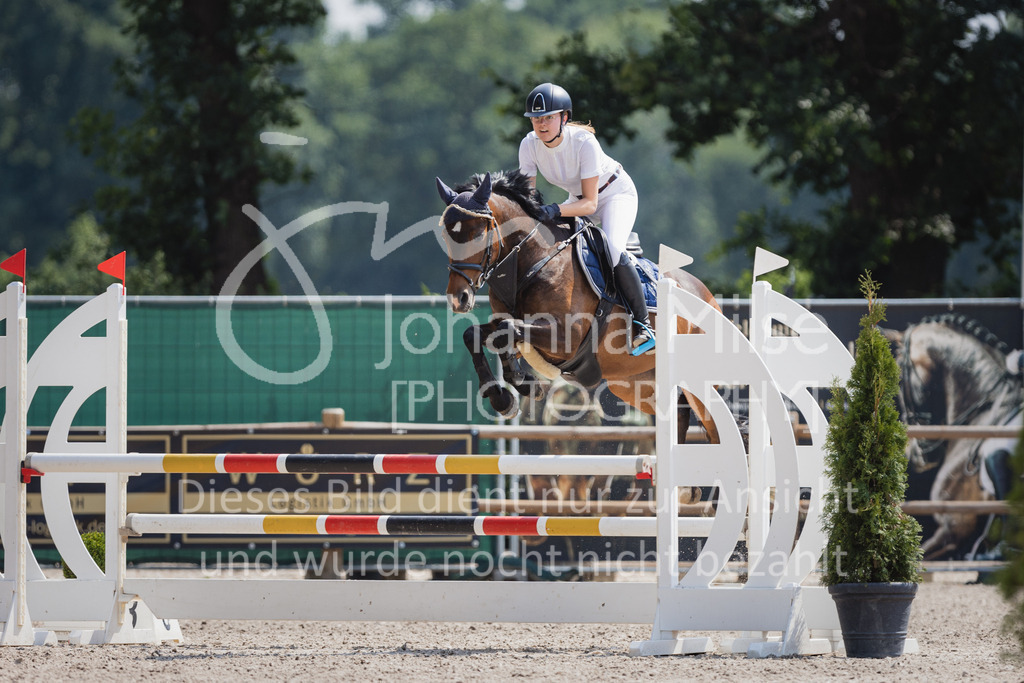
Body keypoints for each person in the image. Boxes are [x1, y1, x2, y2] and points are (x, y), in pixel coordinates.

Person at [518, 82, 654, 355]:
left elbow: (591, 204)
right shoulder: (529, 145)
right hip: (577, 199)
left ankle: (643, 324)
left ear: (564, 117)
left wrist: (555, 210)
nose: (541, 124)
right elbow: (528, 196)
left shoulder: (584, 142)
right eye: (536, 119)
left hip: (613, 194)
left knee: (613, 249)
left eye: (548, 117)